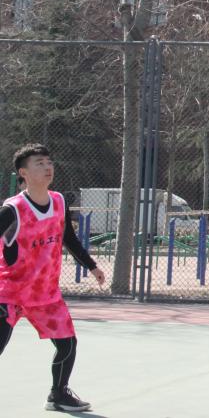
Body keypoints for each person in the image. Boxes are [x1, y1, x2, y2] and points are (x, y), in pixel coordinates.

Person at [0, 143, 107, 412]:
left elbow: (68, 238)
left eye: (49, 162)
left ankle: (58, 395)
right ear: (23, 172)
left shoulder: (59, 201)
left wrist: (91, 266)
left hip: (45, 294)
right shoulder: (13, 209)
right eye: (39, 163)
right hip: (9, 293)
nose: (47, 167)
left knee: (67, 344)